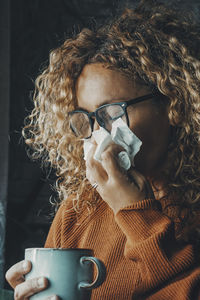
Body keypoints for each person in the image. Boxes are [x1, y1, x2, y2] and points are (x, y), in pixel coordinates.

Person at [5, 0, 200, 299]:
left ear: (172, 102)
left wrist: (134, 211)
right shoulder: (77, 211)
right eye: (88, 118)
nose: (99, 134)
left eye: (111, 113)